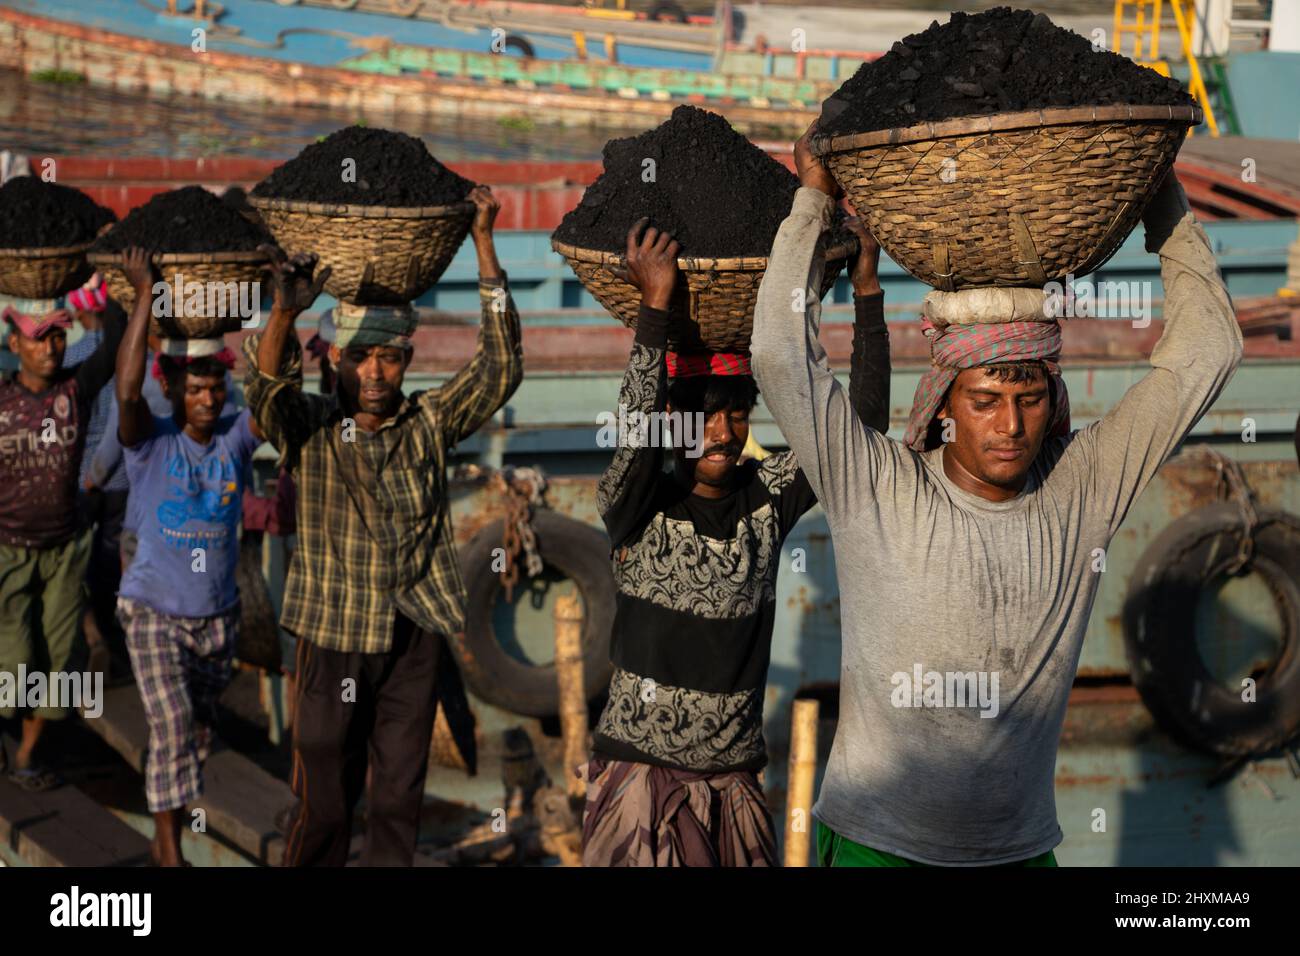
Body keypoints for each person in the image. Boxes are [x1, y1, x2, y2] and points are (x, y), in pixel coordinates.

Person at [750, 124, 1243, 866]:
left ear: (1053, 397)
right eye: (985, 400)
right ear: (945, 399)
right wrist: (813, 200)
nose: (1010, 425)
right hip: (875, 847)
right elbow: (780, 354)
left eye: (1030, 397)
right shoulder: (877, 485)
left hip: (1019, 853)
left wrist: (1162, 203)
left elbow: (1210, 350)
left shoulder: (1082, 488)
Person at [581, 215, 890, 866]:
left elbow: (856, 432)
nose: (720, 433)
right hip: (643, 782)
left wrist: (867, 294)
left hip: (737, 783)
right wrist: (656, 306)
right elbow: (635, 429)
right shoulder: (639, 505)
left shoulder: (767, 496)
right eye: (704, 417)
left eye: (735, 414)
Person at [244, 185, 523, 866]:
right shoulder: (309, 428)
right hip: (334, 636)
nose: (374, 371)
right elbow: (262, 399)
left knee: (399, 796)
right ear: (335, 362)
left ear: (406, 360)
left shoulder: (428, 421)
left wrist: (485, 245)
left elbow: (501, 367)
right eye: (360, 356)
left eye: (389, 357)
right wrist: (285, 311)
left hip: (412, 632)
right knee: (327, 800)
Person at [111, 247, 262, 867]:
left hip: (217, 615)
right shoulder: (150, 442)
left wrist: (279, 309)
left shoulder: (235, 439)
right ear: (171, 389)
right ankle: (170, 853)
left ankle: (161, 832)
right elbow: (125, 390)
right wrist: (146, 292)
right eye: (193, 388)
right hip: (151, 609)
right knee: (172, 723)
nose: (206, 397)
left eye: (214, 387)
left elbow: (277, 394)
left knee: (194, 732)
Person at [0, 292, 125, 790]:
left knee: (59, 659)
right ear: (15, 344)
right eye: (39, 339)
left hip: (65, 550)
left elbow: (115, 345)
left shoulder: (76, 391)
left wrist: (121, 286)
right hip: (8, 548)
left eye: (57, 335)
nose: (52, 347)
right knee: (13, 655)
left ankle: (29, 754)